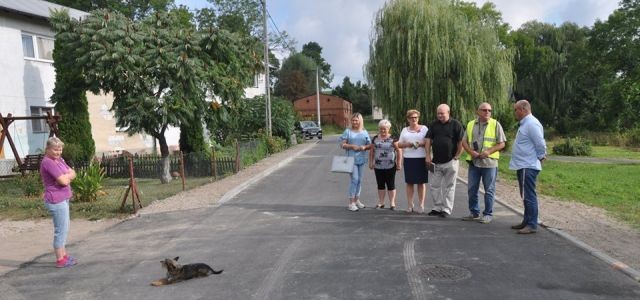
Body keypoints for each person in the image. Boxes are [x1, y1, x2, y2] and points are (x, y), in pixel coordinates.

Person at [461, 103, 506, 224]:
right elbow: (464, 142)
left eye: (489, 110)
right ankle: (474, 213)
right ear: (478, 111)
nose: (487, 112)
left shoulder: (496, 124)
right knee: (471, 189)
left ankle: (488, 214)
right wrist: (471, 152)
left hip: (489, 163)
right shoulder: (471, 124)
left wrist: (489, 151)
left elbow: (502, 143)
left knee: (489, 190)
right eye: (484, 110)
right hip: (474, 162)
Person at [509, 100, 547, 234]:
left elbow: (540, 143)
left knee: (529, 195)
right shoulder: (525, 124)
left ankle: (532, 224)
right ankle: (526, 220)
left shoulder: (531, 123)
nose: (515, 113)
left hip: (528, 165)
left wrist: (541, 156)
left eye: (516, 110)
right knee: (525, 195)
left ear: (523, 110)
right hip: (523, 164)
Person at [40, 137, 78, 268]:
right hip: (56, 200)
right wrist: (64, 178)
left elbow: (73, 173)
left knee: (65, 228)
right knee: (60, 230)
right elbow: (64, 181)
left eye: (60, 149)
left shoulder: (59, 160)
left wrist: (66, 177)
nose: (58, 152)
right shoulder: (48, 162)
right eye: (55, 149)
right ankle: (60, 260)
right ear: (48, 149)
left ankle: (64, 255)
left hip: (63, 198)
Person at [425, 104, 465, 218]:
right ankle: (437, 207)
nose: (440, 115)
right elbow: (428, 140)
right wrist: (427, 155)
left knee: (449, 186)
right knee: (434, 185)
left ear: (448, 112)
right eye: (438, 113)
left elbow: (461, 141)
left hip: (450, 161)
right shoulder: (433, 124)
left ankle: (446, 209)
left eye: (442, 113)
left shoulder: (456, 124)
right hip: (436, 161)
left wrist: (457, 156)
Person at [398, 109, 428, 213]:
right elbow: (399, 144)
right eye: (411, 118)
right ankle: (410, 205)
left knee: (421, 183)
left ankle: (421, 205)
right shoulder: (404, 130)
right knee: (409, 182)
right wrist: (408, 144)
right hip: (409, 159)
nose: (414, 119)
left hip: (421, 158)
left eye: (416, 117)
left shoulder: (424, 128)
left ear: (418, 118)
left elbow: (428, 141)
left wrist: (419, 144)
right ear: (408, 119)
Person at [339, 113, 372, 212]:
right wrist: (352, 146)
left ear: (360, 121)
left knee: (360, 180)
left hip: (361, 159)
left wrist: (364, 147)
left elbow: (370, 145)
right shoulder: (348, 131)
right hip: (351, 159)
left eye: (356, 120)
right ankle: (351, 203)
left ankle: (357, 200)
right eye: (353, 120)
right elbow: (342, 144)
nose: (354, 122)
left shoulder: (364, 132)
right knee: (355, 179)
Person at [369, 119, 402, 210]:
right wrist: (371, 162)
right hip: (378, 166)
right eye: (381, 128)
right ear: (379, 128)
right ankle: (381, 202)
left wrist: (399, 163)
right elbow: (372, 151)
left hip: (390, 165)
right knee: (380, 184)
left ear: (389, 129)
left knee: (391, 184)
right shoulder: (375, 138)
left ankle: (392, 203)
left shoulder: (393, 138)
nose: (383, 130)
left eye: (385, 129)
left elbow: (399, 150)